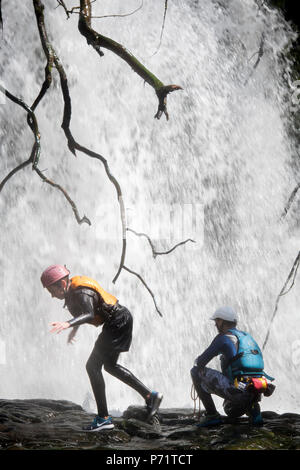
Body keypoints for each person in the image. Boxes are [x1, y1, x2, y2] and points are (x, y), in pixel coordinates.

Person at [41, 264, 163, 432]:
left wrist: (67, 324)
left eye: (51, 291)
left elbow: (89, 314)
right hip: (119, 320)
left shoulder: (80, 291)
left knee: (92, 366)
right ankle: (150, 396)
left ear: (61, 284)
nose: (52, 296)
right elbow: (83, 313)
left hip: (117, 321)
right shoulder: (73, 292)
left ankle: (104, 418)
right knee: (110, 366)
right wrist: (73, 330)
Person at [191, 306, 275, 427]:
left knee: (195, 371)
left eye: (216, 321)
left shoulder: (223, 338)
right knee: (229, 409)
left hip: (239, 392)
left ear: (222, 321)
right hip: (257, 390)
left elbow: (201, 362)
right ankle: (254, 410)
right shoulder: (246, 337)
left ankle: (212, 415)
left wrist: (197, 361)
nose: (215, 325)